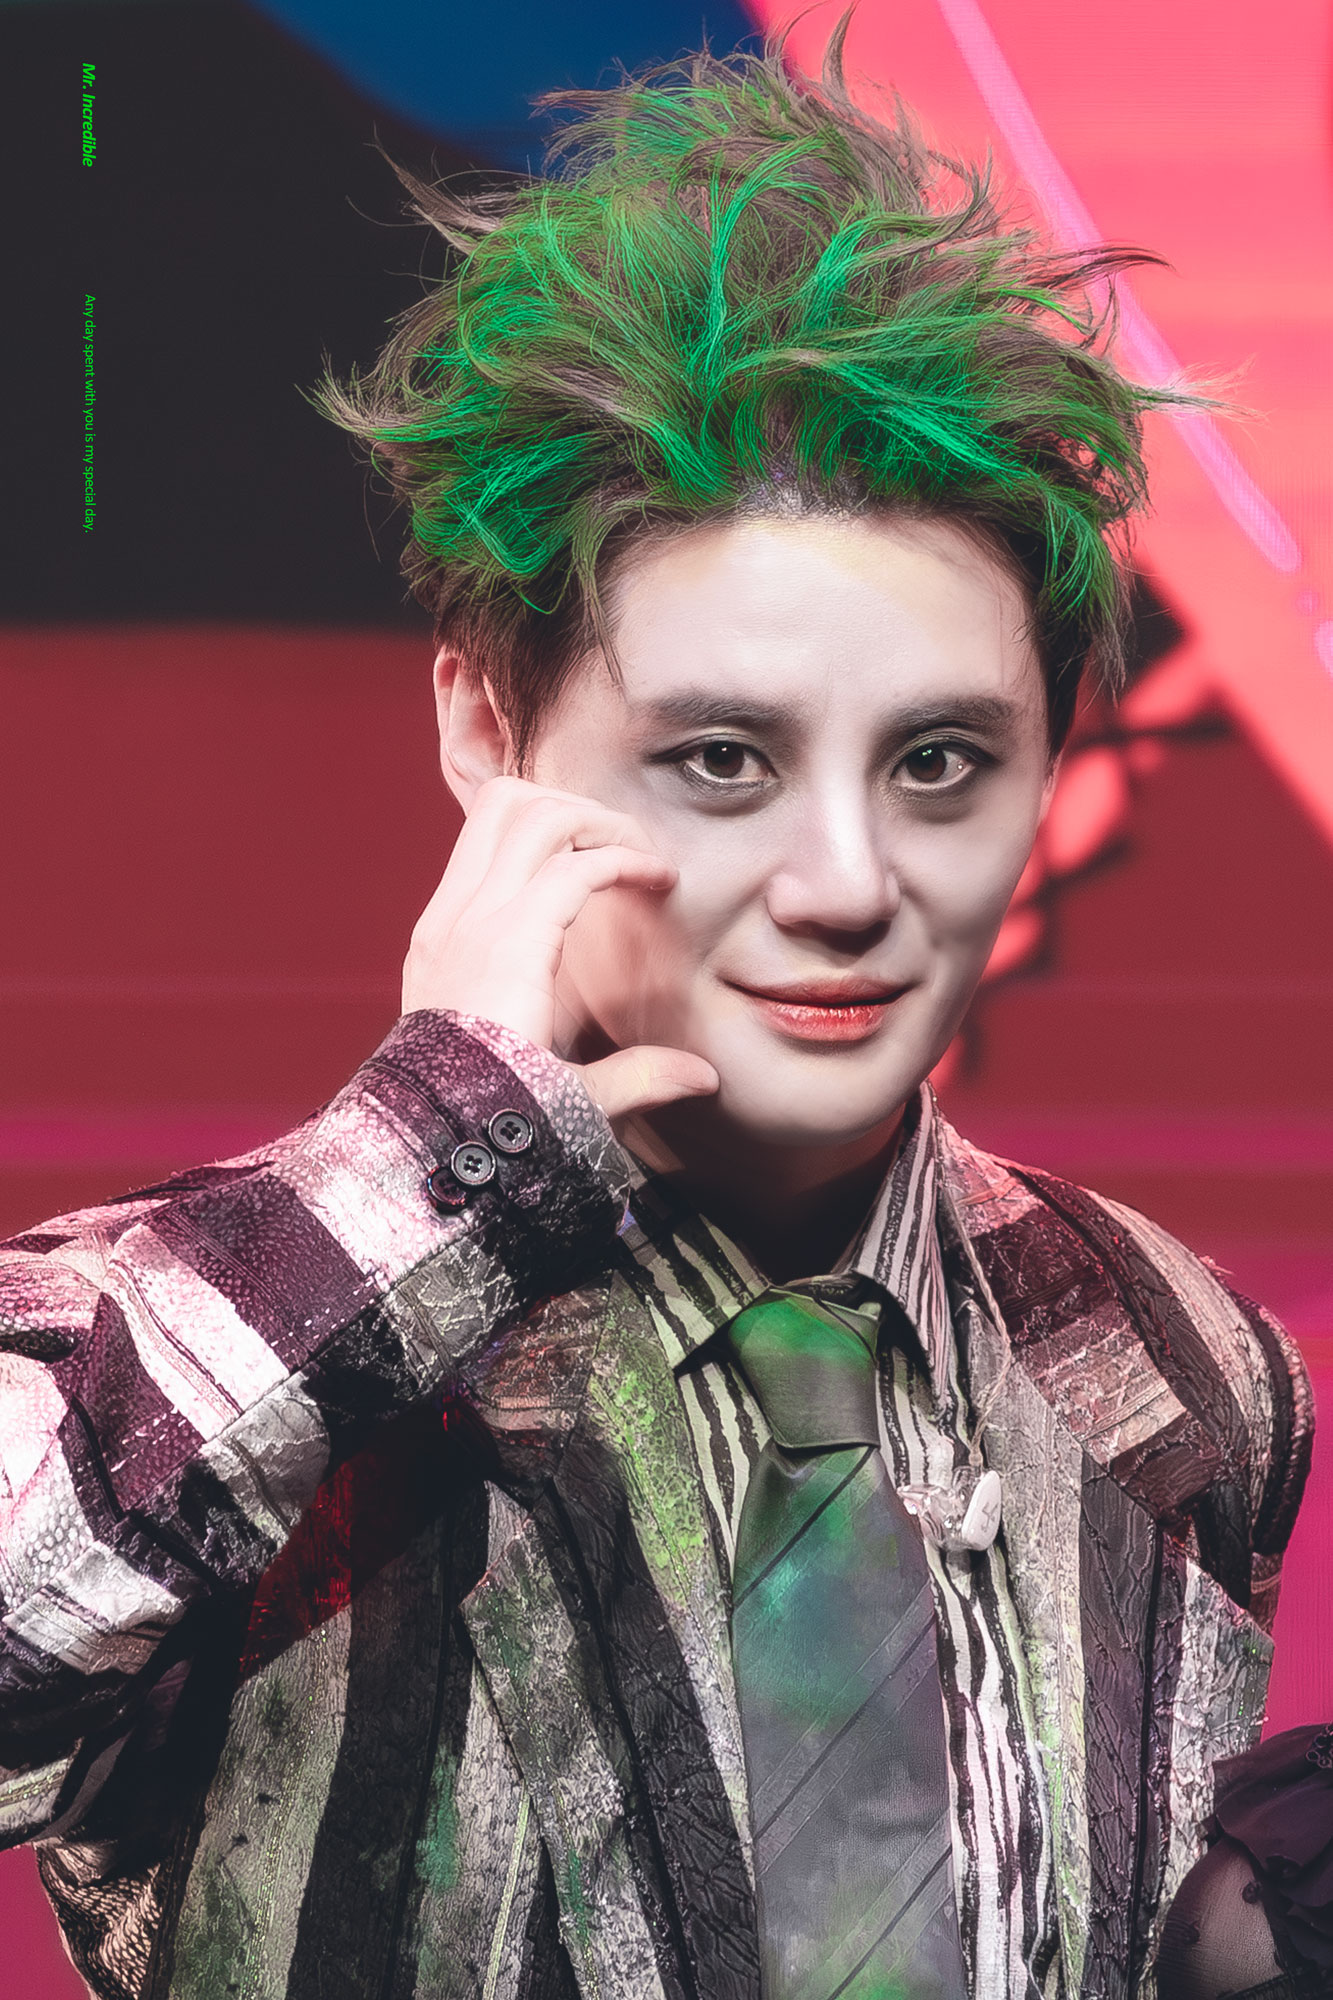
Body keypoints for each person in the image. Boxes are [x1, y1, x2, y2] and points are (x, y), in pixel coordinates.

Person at [0, 39, 1314, 2000]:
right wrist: (431, 1150)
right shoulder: (171, 1334)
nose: (845, 879)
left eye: (940, 761)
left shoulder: (1179, 1366)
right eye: (720, 758)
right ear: (485, 724)